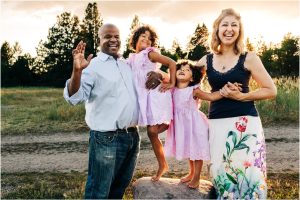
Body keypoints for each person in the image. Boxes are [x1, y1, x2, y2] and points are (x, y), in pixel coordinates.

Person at [195, 8, 277, 199]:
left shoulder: (249, 58)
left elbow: (271, 90)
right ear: (217, 29)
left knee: (249, 175)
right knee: (221, 172)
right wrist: (215, 95)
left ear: (240, 30)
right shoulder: (206, 60)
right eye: (225, 24)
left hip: (246, 124)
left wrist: (241, 97)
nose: (229, 29)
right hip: (217, 123)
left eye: (234, 25)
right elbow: (188, 85)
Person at [63, 24, 140, 199]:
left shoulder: (127, 65)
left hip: (132, 137)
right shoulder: (92, 66)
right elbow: (74, 97)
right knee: (98, 192)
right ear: (99, 40)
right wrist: (77, 71)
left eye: (116, 36)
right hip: (106, 139)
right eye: (107, 36)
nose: (113, 40)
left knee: (117, 191)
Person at [126, 25, 177, 181]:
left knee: (152, 131)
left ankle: (162, 163)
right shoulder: (131, 59)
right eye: (143, 36)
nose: (146, 40)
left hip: (156, 96)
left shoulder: (150, 54)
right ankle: (162, 164)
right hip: (145, 99)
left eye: (150, 38)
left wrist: (171, 83)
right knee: (151, 131)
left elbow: (172, 63)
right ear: (135, 39)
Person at [164, 60, 223, 189]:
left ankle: (197, 178)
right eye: (180, 68)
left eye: (187, 70)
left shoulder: (193, 90)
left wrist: (224, 92)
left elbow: (210, 97)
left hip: (194, 125)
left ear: (193, 77)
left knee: (196, 150)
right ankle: (191, 173)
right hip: (181, 126)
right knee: (189, 149)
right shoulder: (172, 89)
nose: (182, 70)